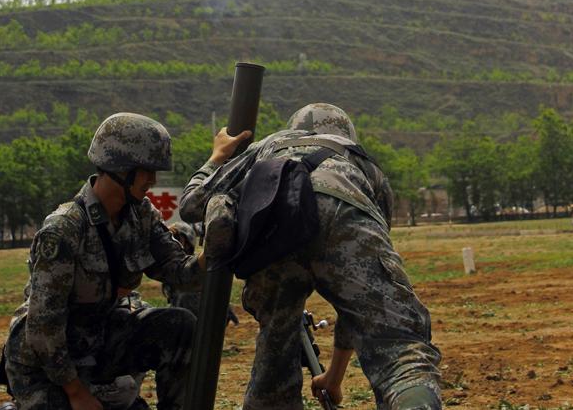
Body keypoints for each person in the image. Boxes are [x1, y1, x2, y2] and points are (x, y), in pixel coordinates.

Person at [180, 103, 442, 410]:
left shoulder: (270, 145)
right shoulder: (363, 163)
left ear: (294, 127)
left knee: (274, 364)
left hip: (275, 227)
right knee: (399, 349)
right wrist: (335, 376)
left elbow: (192, 204)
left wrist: (216, 157)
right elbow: (361, 305)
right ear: (346, 134)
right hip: (345, 210)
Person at [1, 112, 205, 410]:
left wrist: (209, 255)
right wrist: (77, 393)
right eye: (146, 170)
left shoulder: (141, 214)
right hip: (48, 365)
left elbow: (179, 272)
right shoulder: (64, 229)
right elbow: (44, 330)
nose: (153, 179)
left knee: (180, 325)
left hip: (98, 341)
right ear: (119, 168)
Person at [162, 221, 239, 325]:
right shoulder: (170, 266)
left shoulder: (196, 267)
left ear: (188, 243)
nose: (172, 242)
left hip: (204, 322)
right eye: (170, 238)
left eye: (176, 238)